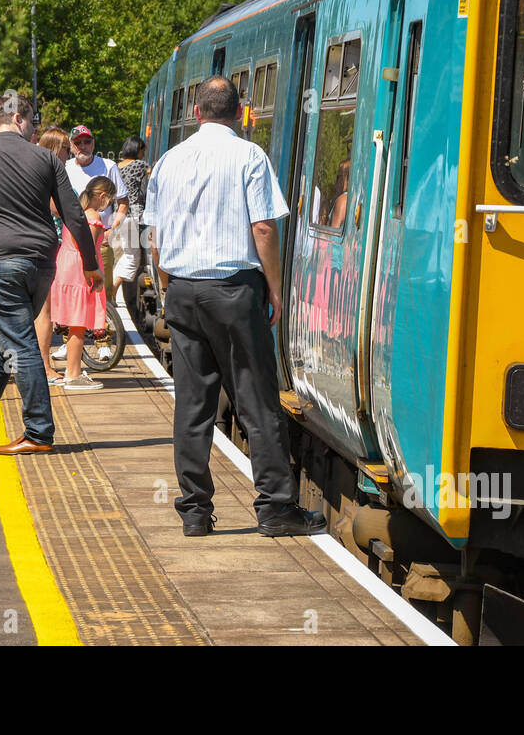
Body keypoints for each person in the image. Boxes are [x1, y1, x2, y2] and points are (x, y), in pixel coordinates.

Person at [143, 75, 325, 537]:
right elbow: (263, 228)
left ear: (198, 112)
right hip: (234, 291)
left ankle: (195, 513)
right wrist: (276, 290)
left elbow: (156, 238)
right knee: (257, 401)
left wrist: (168, 291)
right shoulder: (249, 156)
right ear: (239, 112)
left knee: (192, 404)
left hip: (183, 290)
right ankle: (276, 508)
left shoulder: (168, 161)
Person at [0, 92, 101, 455]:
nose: (34, 129)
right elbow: (74, 216)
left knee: (20, 344)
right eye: (32, 121)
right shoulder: (47, 159)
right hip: (40, 266)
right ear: (17, 118)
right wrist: (90, 262)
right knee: (7, 345)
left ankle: (38, 431)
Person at [49, 176, 115, 390]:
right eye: (110, 200)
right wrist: (96, 275)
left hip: (65, 266)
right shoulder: (93, 216)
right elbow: (88, 247)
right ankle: (73, 374)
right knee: (77, 324)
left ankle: (71, 370)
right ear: (103, 197)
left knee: (72, 322)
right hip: (80, 270)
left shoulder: (76, 212)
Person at [35, 127, 71, 383]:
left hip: (37, 244)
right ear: (56, 149)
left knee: (40, 309)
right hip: (49, 244)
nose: (69, 154)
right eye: (67, 149)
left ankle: (41, 364)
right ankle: (44, 366)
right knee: (44, 311)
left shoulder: (34, 167)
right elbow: (56, 208)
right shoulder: (49, 171)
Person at [111, 136, 149, 305]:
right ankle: (112, 290)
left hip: (118, 215)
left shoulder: (117, 166)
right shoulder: (139, 165)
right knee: (133, 258)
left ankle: (112, 290)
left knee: (126, 254)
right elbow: (154, 173)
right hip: (133, 216)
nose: (143, 154)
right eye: (142, 150)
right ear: (136, 149)